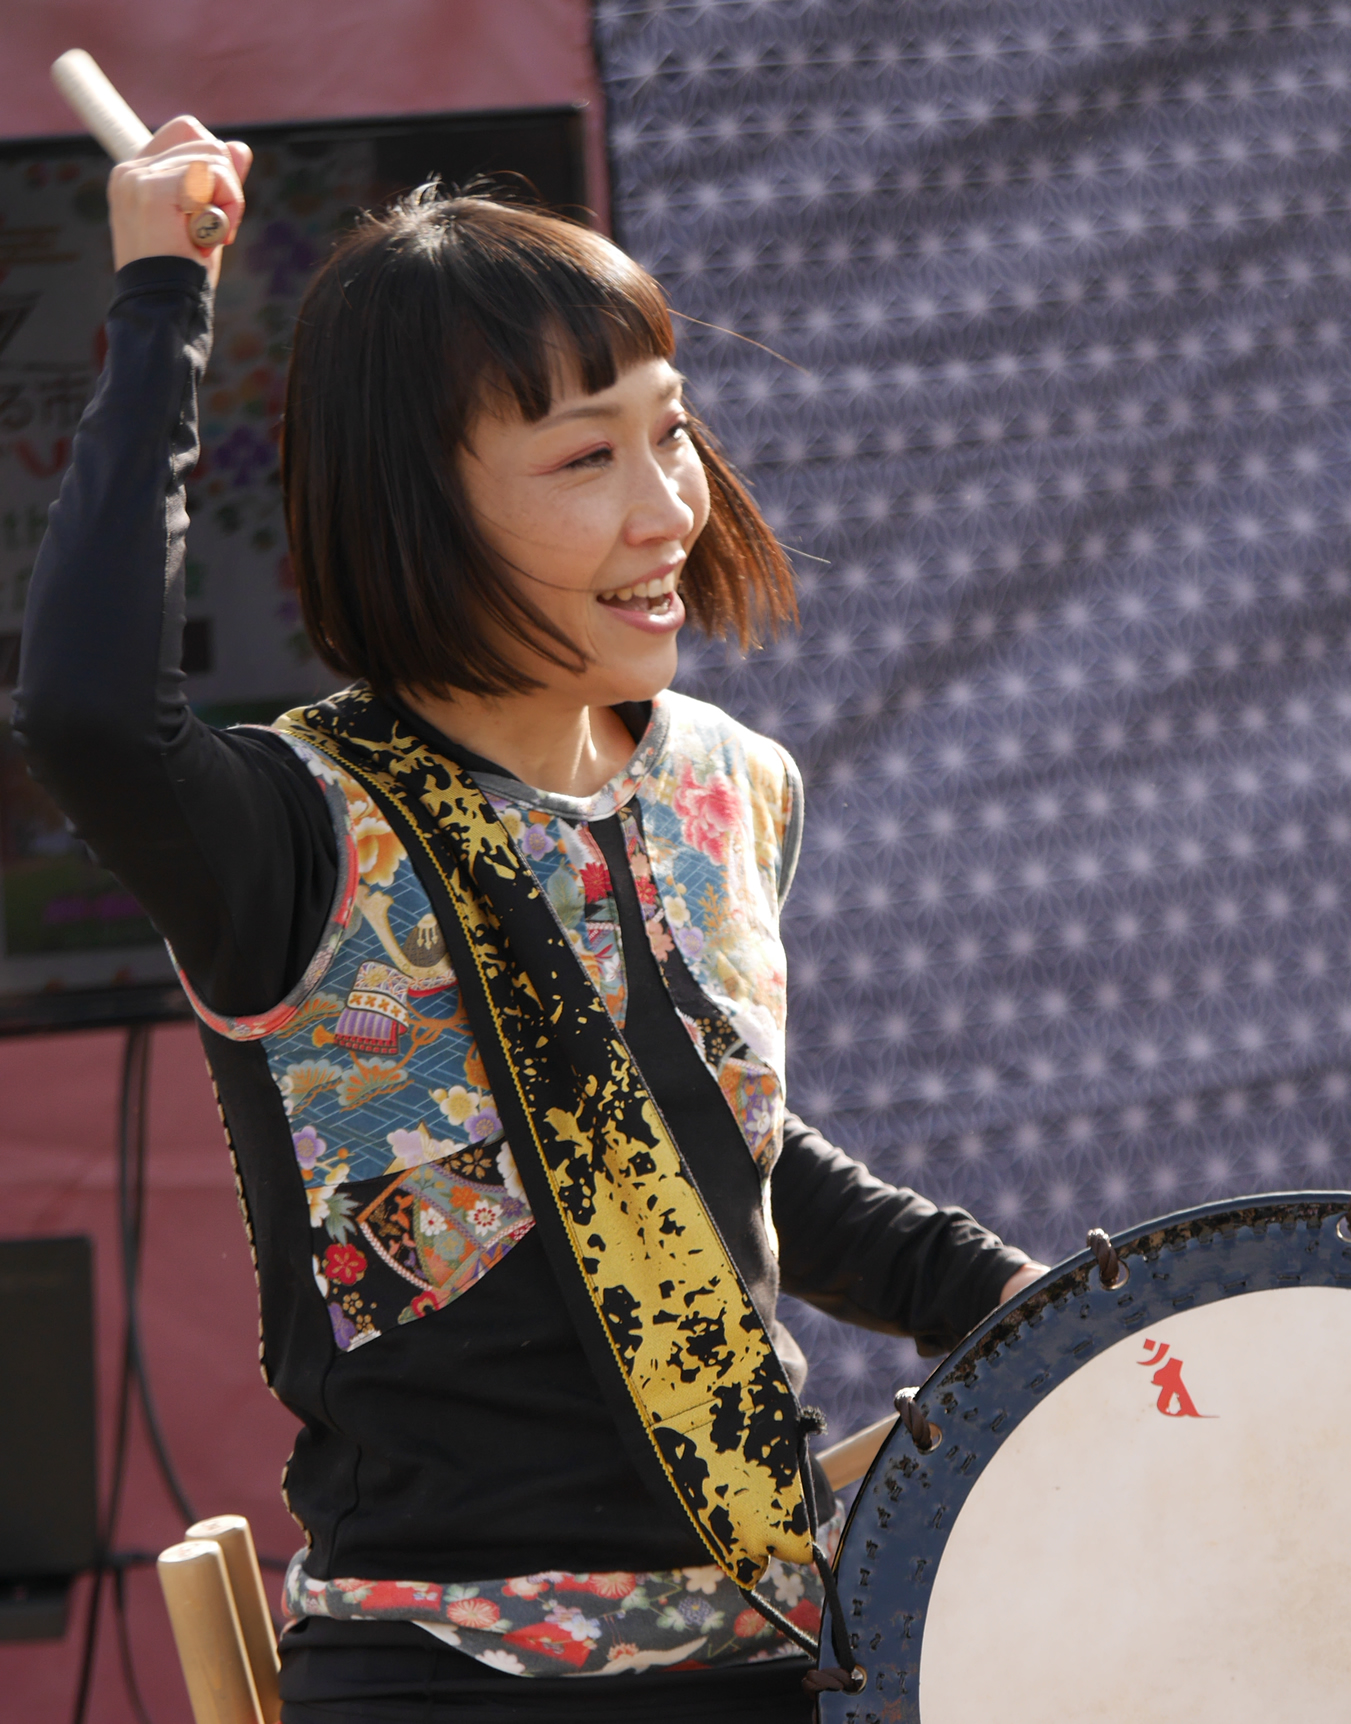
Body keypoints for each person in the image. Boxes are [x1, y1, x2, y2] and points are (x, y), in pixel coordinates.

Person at [18, 119, 1045, 1723]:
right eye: (584, 459)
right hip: (447, 1676)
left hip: (774, 1646)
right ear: (415, 505)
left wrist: (1005, 1298)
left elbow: (709, 1151)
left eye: (672, 432)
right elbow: (87, 715)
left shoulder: (728, 786)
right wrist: (160, 297)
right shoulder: (293, 833)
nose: (668, 511)